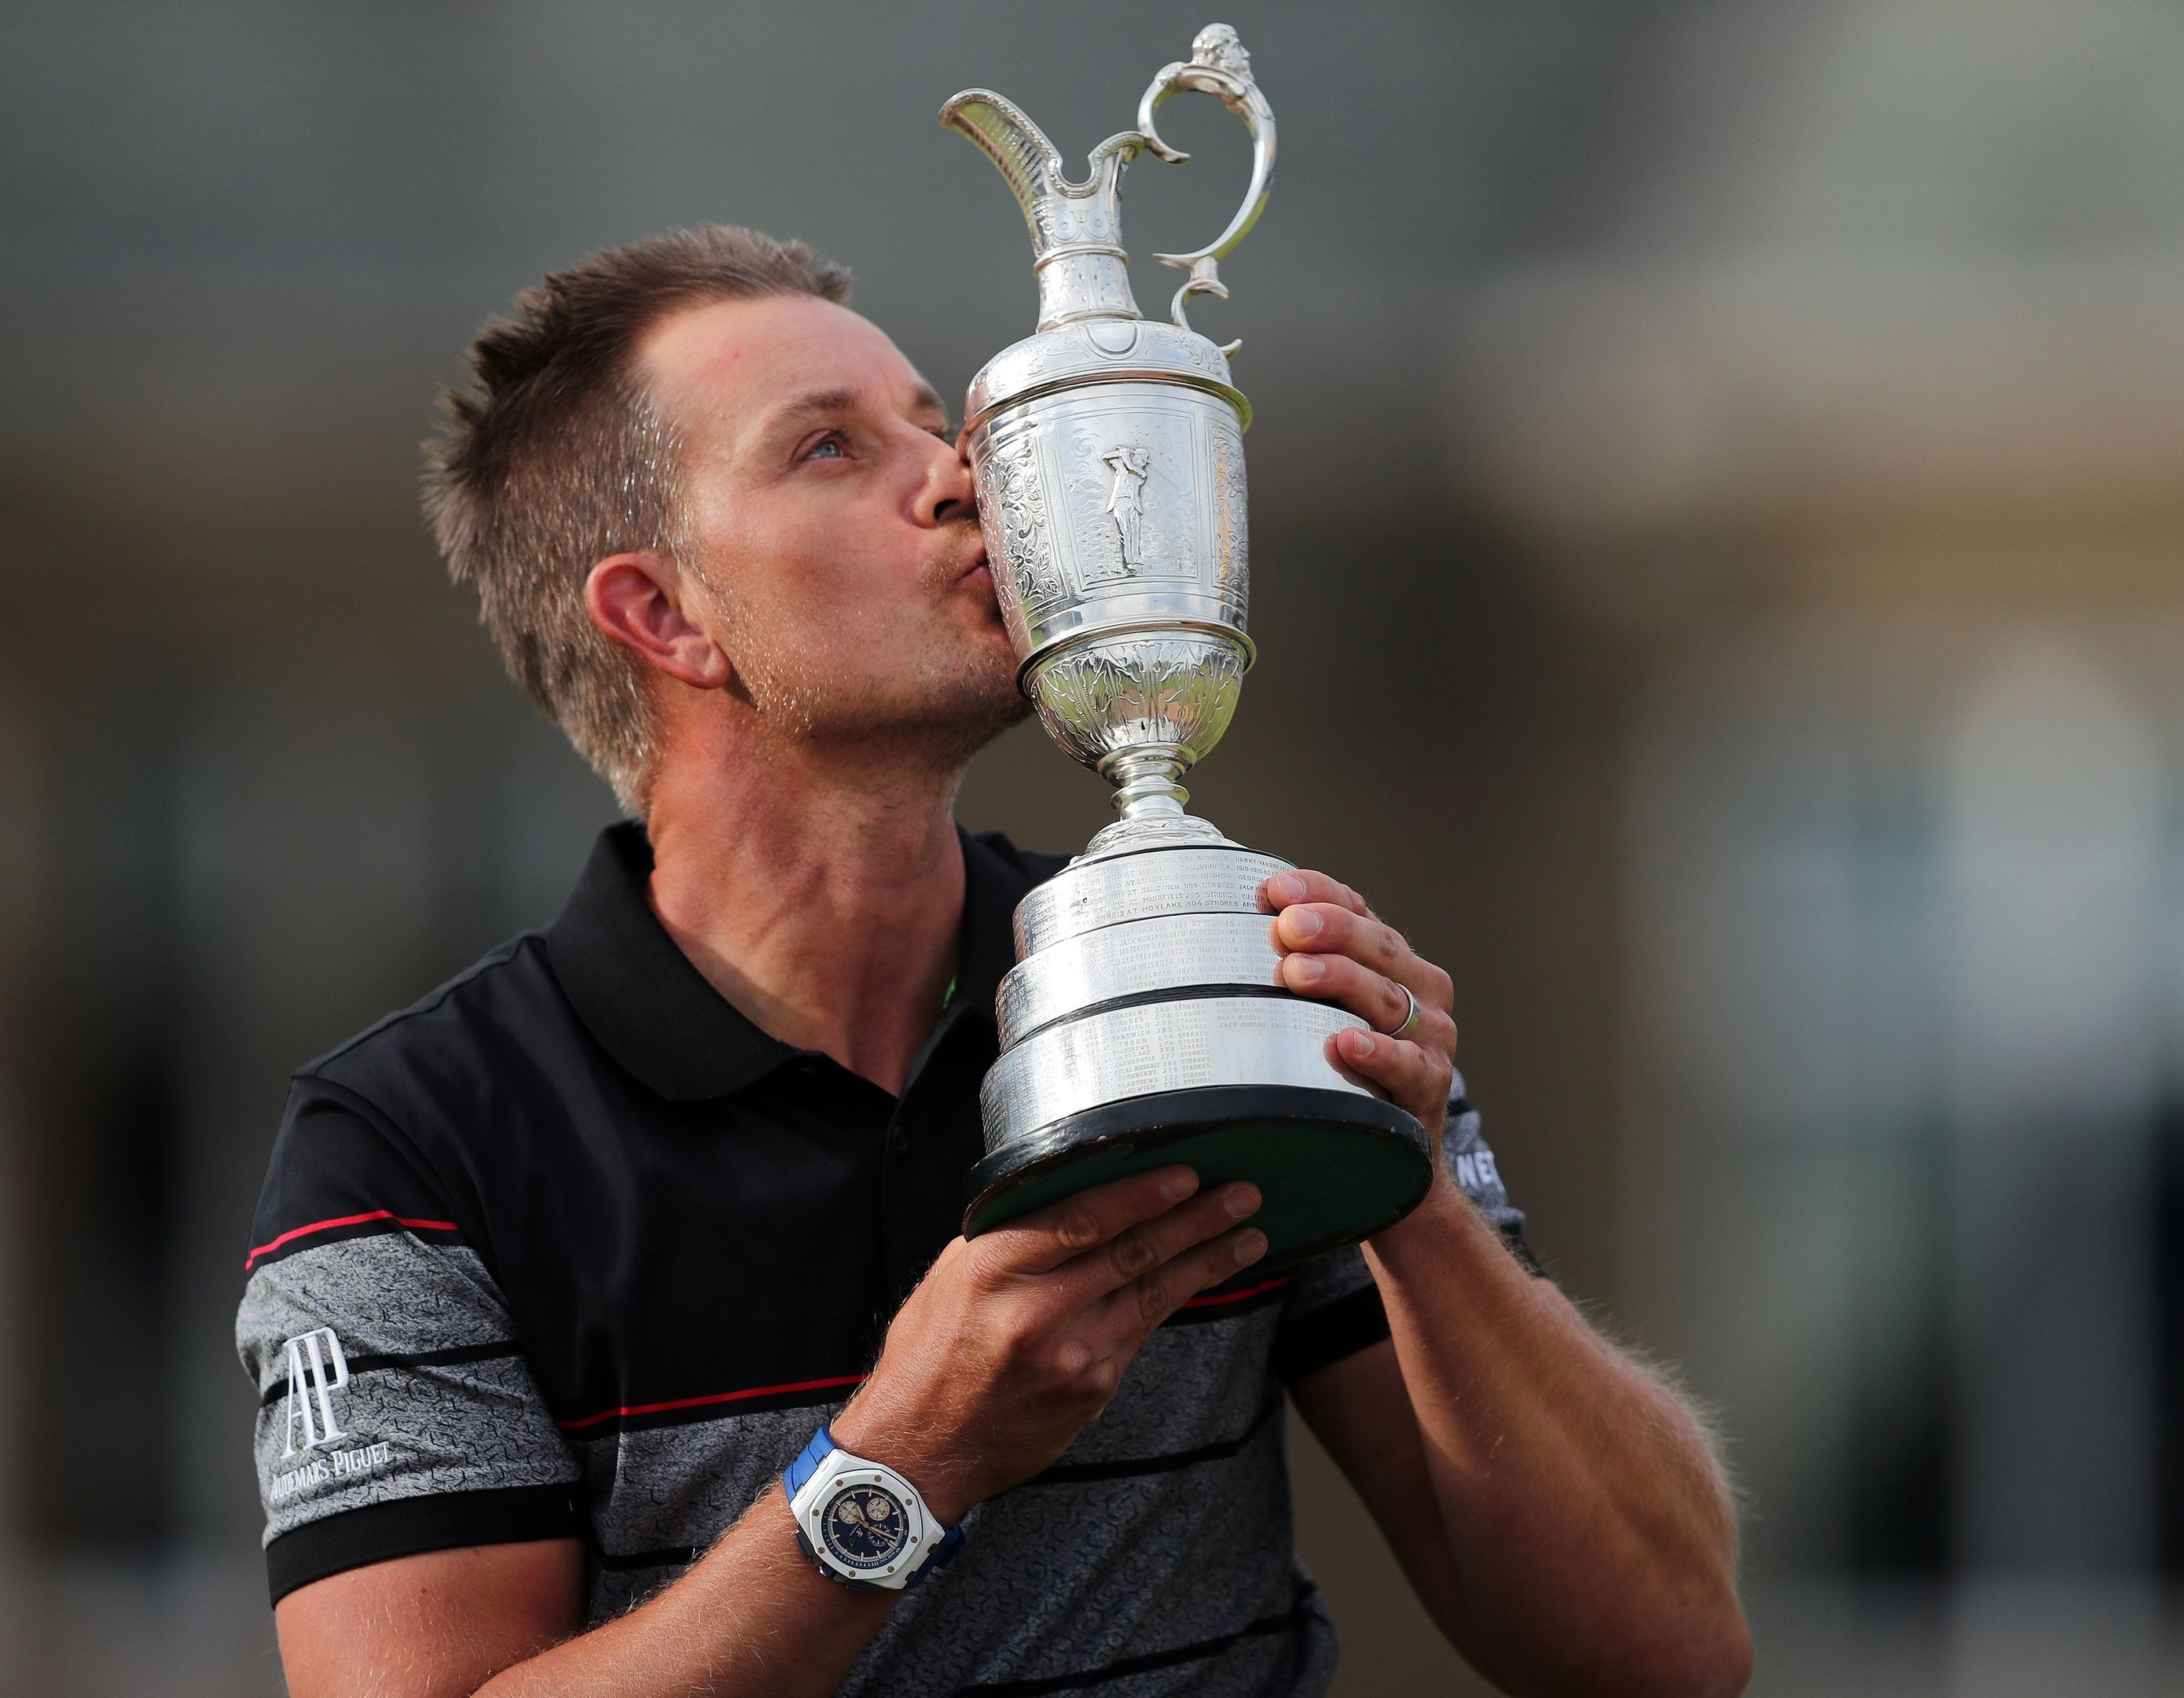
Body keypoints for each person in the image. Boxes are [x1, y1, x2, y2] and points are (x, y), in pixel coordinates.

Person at [236, 226, 1751, 1698]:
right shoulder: (407, 1148)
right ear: (663, 613)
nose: (965, 476)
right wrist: (904, 1461)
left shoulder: (1228, 975)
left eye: (930, 421)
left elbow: (1666, 1653)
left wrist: (1395, 1176)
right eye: (830, 447)